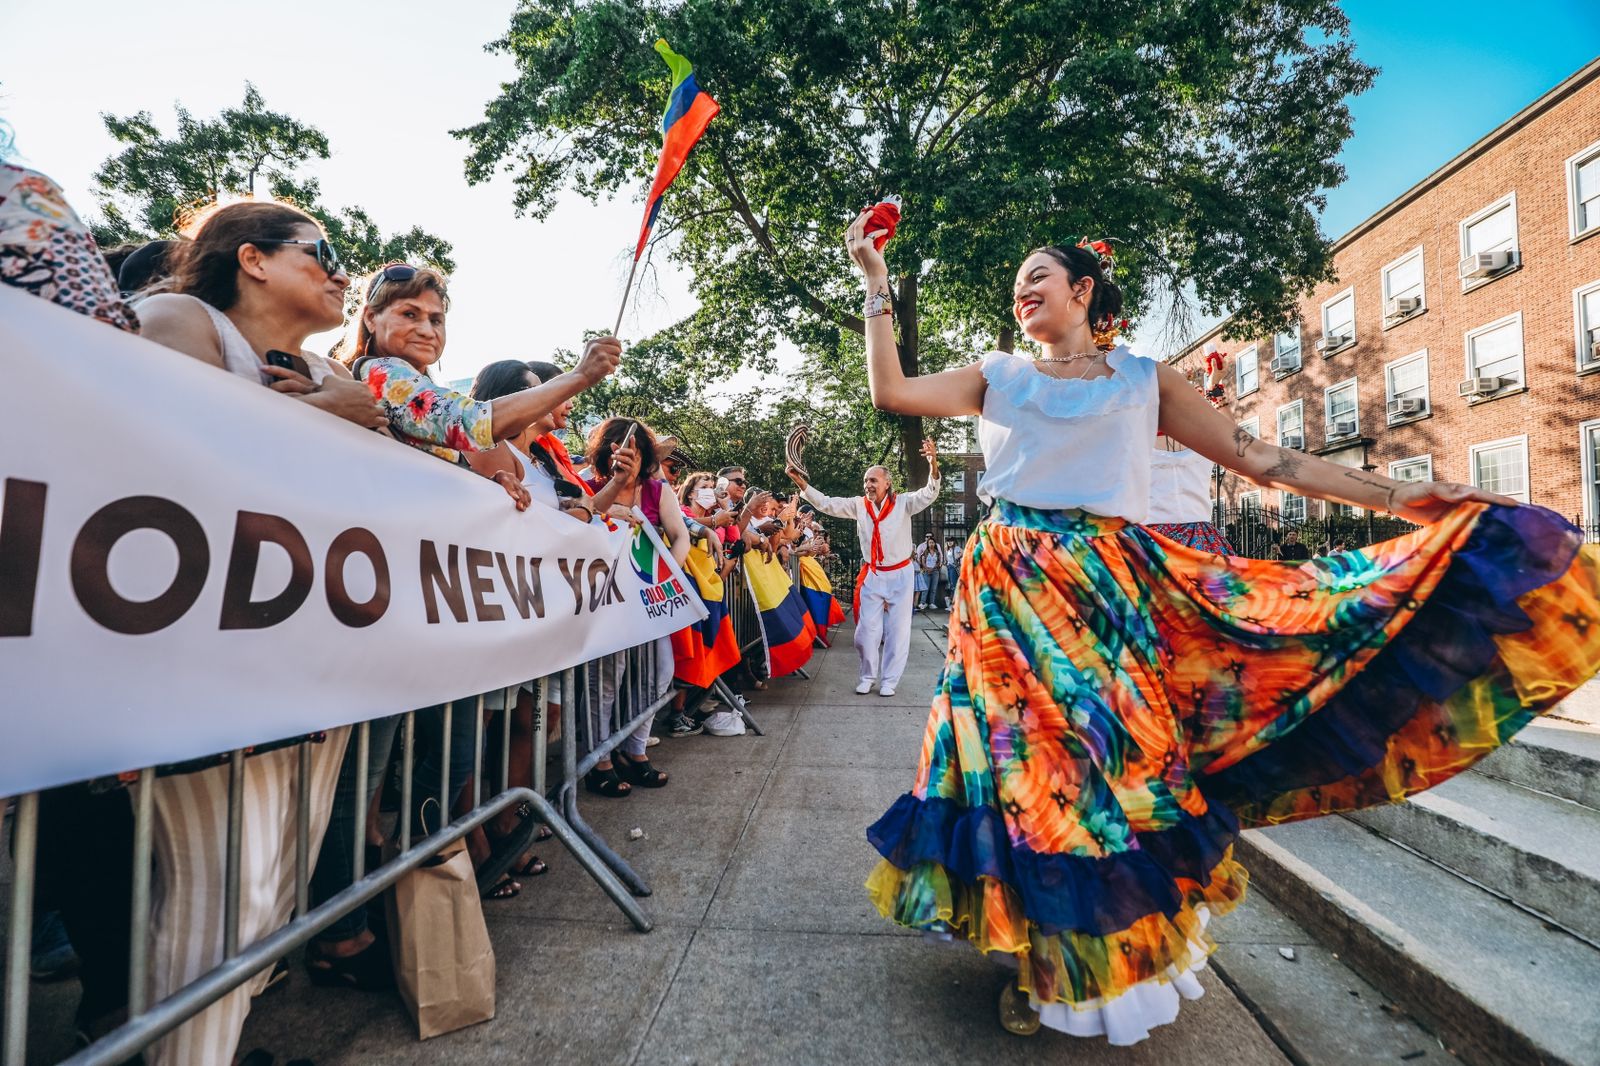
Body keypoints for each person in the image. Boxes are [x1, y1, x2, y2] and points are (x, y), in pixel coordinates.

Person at [839, 213, 1600, 1045]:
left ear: (1083, 290)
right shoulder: (996, 375)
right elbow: (892, 393)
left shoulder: (1144, 380)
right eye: (1018, 283)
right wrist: (876, 279)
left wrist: (1406, 500)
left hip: (1103, 589)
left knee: (1105, 769)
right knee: (1016, 771)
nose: (1022, 291)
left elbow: (1262, 458)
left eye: (1038, 277)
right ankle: (1034, 958)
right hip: (1003, 596)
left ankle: (1090, 952)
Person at [133, 200, 365, 1065]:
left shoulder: (309, 368)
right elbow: (163, 453)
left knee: (272, 894)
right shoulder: (177, 318)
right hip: (204, 666)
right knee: (218, 895)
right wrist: (336, 417)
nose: (341, 271)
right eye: (323, 251)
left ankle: (213, 1047)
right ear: (254, 260)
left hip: (304, 661)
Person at [787, 442, 941, 697]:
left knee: (898, 632)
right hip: (874, 574)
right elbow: (827, 503)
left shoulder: (904, 503)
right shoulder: (859, 505)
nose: (868, 485)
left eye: (873, 481)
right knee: (866, 632)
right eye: (866, 481)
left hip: (901, 575)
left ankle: (889, 680)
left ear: (887, 484)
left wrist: (933, 464)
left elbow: (929, 492)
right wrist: (802, 484)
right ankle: (867, 676)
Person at [584, 417, 690, 788]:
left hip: (649, 599)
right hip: (604, 602)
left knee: (658, 672)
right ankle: (599, 762)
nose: (627, 457)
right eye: (618, 450)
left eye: (636, 450)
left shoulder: (658, 491)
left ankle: (635, 748)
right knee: (606, 679)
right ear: (605, 453)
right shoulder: (587, 484)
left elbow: (680, 536)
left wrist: (665, 574)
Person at [914, 531, 946, 610]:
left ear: (934, 543)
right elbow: (921, 560)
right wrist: (926, 568)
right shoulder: (925, 551)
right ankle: (923, 603)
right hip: (926, 571)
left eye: (932, 542)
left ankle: (932, 603)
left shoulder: (937, 552)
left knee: (934, 588)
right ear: (927, 543)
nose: (931, 543)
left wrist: (935, 568)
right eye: (929, 542)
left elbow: (939, 560)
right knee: (925, 588)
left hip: (935, 571)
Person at [942, 536, 960, 610]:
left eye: (951, 541)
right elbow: (947, 559)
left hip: (953, 567)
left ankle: (954, 604)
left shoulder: (957, 548)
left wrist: (956, 558)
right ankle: (952, 603)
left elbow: (963, 552)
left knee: (953, 585)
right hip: (949, 567)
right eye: (948, 541)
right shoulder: (948, 550)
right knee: (951, 585)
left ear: (954, 542)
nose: (950, 542)